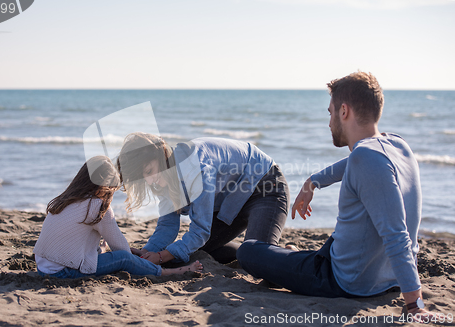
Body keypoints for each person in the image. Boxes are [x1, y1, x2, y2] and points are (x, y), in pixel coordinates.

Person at [236, 71, 437, 320]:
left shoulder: (365, 159)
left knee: (248, 250)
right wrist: (313, 182)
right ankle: (295, 255)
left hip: (343, 280)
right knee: (308, 254)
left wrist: (416, 306)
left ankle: (294, 255)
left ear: (344, 111)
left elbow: (396, 236)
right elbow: (353, 163)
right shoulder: (397, 145)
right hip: (388, 278)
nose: (329, 122)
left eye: (330, 113)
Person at [117, 133, 289, 265]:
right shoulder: (164, 177)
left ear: (161, 157)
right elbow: (168, 225)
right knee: (196, 253)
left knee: (259, 262)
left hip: (266, 186)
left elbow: (200, 230)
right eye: (143, 176)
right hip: (231, 202)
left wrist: (161, 257)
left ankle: (291, 254)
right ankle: (255, 252)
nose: (149, 180)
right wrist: (147, 253)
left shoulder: (195, 167)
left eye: (149, 171)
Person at [33, 156, 203, 279]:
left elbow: (72, 242)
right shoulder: (98, 206)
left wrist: (105, 251)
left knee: (109, 251)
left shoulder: (66, 199)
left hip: (43, 267)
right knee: (123, 258)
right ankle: (169, 272)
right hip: (63, 271)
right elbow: (121, 249)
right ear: (105, 186)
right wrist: (133, 254)